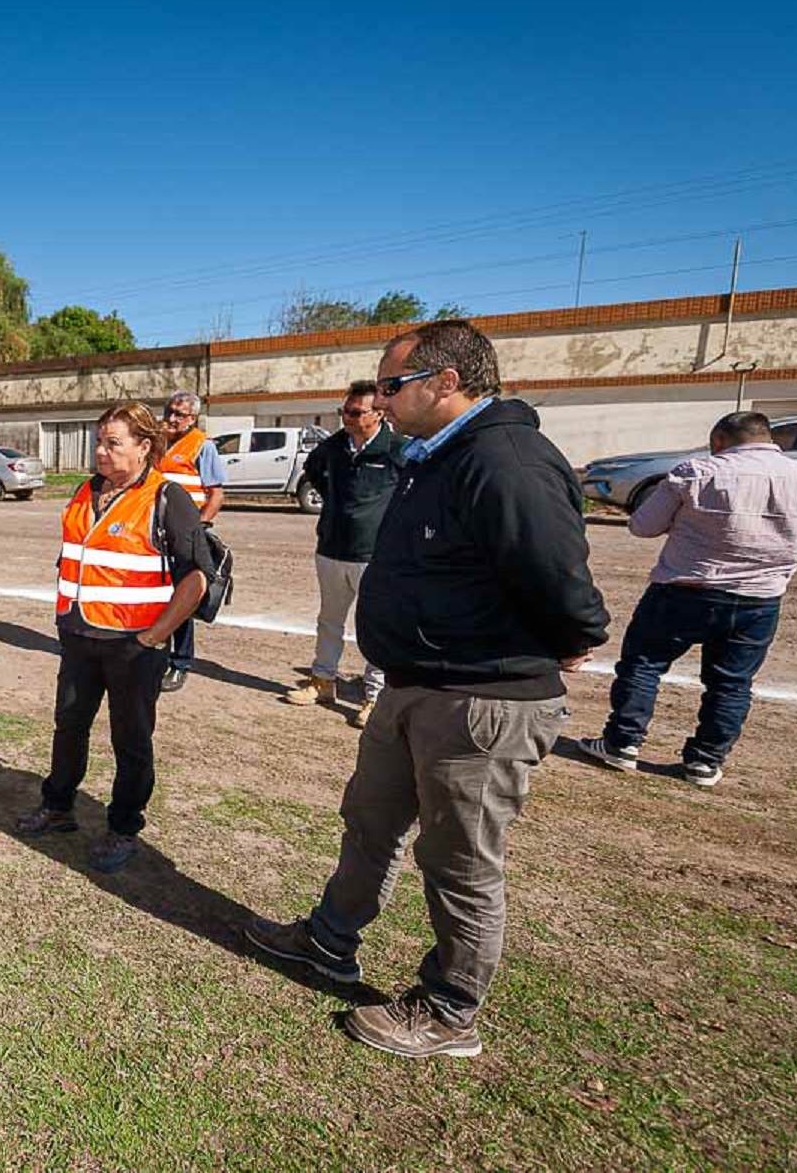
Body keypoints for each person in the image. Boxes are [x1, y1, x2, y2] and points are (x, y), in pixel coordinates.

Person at [245, 320, 609, 1060]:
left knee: (460, 861)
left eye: (391, 384)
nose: (379, 398)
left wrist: (571, 637)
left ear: (446, 383)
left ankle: (450, 1009)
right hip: (415, 688)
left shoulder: (506, 461)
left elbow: (561, 579)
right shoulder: (439, 457)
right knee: (369, 824)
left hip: (481, 702)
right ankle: (329, 938)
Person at [578, 411, 797, 787]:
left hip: (684, 588)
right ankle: (705, 760)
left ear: (719, 440)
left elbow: (642, 526)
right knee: (731, 683)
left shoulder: (696, 472)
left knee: (644, 664)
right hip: (758, 599)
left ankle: (622, 742)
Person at [17, 402, 215, 873]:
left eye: (113, 443)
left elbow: (197, 580)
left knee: (131, 740)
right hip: (79, 636)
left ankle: (124, 827)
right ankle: (59, 805)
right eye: (99, 442)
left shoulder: (168, 498)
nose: (101, 452)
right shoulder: (86, 491)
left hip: (133, 647)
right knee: (69, 726)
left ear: (144, 447)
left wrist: (154, 638)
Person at [280, 380, 406, 728]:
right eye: (343, 411)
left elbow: (413, 491)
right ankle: (323, 681)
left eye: (354, 412)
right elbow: (314, 473)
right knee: (329, 619)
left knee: (376, 626)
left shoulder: (397, 448)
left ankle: (374, 697)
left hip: (375, 555)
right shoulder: (333, 447)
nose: (346, 417)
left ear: (378, 412)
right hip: (332, 548)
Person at [154, 391, 225, 692]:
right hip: (154, 532)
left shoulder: (203, 447)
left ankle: (179, 663)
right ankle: (154, 652)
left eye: (179, 414)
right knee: (154, 594)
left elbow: (217, 494)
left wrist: (197, 529)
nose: (171, 418)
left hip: (184, 535)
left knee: (182, 599)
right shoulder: (156, 441)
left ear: (192, 419)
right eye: (169, 411)